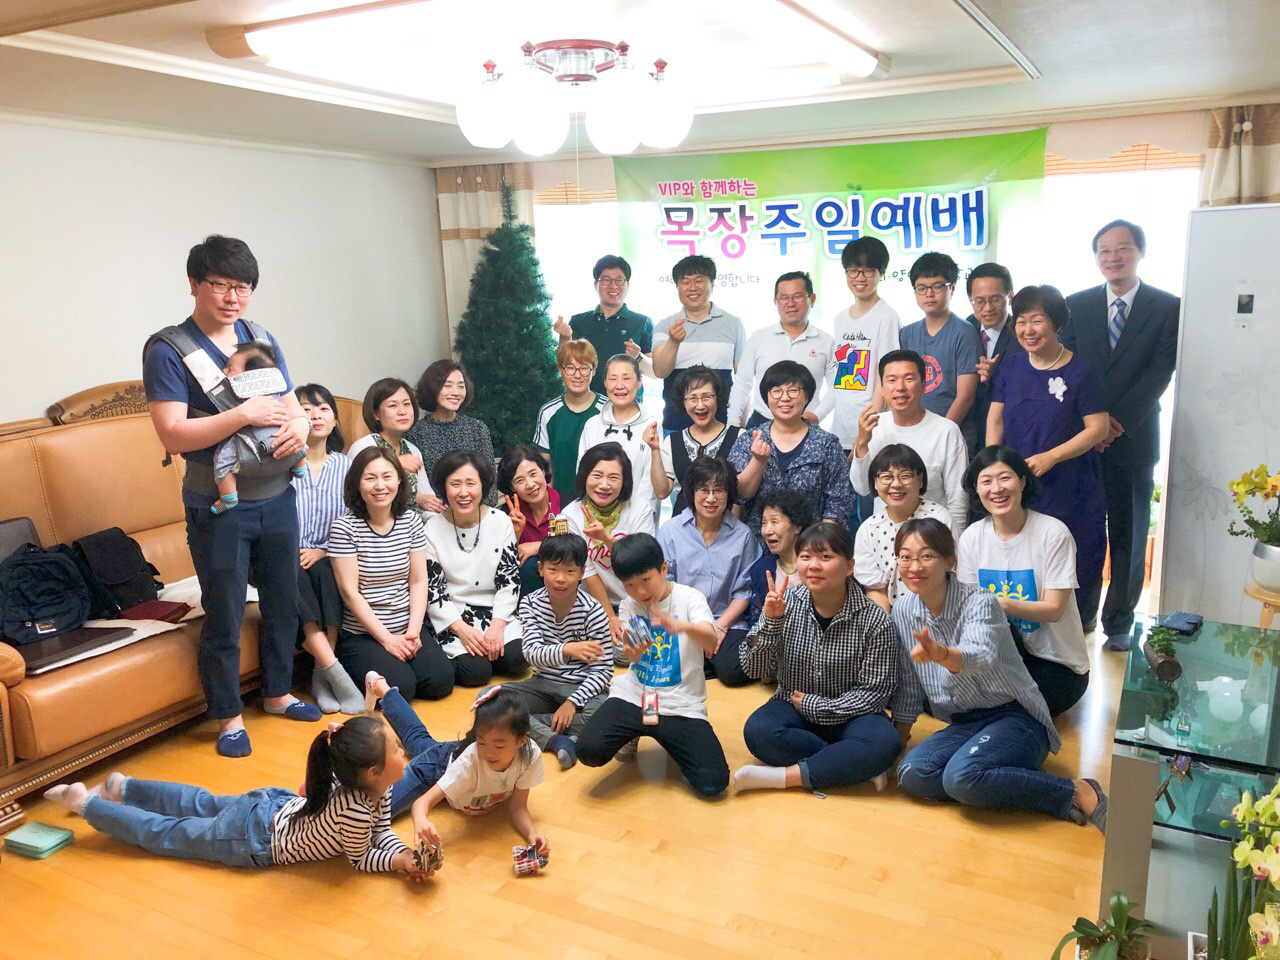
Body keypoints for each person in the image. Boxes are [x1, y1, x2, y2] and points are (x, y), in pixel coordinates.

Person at [143, 234, 319, 758]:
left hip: (278, 495)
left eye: (242, 287)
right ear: (194, 284)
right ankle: (228, 717)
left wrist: (300, 425)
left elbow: (289, 403)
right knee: (224, 610)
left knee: (284, 599)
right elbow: (173, 435)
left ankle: (278, 693)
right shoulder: (169, 349)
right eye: (219, 284)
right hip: (219, 504)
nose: (231, 297)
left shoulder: (259, 336)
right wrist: (242, 414)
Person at [890, 518, 1107, 832]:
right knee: (912, 773)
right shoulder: (903, 610)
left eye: (926, 556)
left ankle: (1074, 791)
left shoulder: (980, 601)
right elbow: (910, 686)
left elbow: (981, 655)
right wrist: (898, 742)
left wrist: (942, 654)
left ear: (949, 561)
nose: (914, 566)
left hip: (1016, 716)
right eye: (905, 557)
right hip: (965, 722)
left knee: (960, 777)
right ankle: (997, 780)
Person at [43, 716, 429, 879]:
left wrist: (406, 853)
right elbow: (361, 857)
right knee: (167, 833)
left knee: (199, 802)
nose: (402, 752)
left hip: (272, 805)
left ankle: (124, 788)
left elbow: (381, 830)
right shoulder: (356, 809)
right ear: (372, 772)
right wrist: (398, 862)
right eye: (397, 749)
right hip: (254, 839)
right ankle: (88, 804)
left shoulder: (368, 783)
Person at [1062, 219, 1181, 650]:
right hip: (1081, 437)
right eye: (1105, 251)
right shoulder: (1076, 305)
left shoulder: (1167, 306)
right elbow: (1068, 364)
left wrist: (1115, 423)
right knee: (1082, 530)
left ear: (1140, 252)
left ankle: (1119, 623)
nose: (1113, 257)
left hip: (1133, 438)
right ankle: (1081, 614)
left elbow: (1160, 371)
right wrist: (1091, 422)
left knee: (1129, 533)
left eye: (1123, 248)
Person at [734, 522, 901, 794]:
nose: (813, 566)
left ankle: (784, 777)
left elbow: (874, 694)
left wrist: (818, 706)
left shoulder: (874, 620)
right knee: (758, 731)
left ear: (849, 566)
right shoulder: (784, 602)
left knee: (885, 742)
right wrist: (772, 623)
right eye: (805, 557)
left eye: (825, 557)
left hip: (851, 715)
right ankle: (851, 764)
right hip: (793, 708)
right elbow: (752, 668)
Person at [576, 534, 730, 796]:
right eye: (629, 585)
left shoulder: (689, 598)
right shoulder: (629, 606)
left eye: (646, 580)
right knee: (588, 751)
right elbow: (633, 655)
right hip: (635, 695)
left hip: (680, 703)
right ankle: (634, 733)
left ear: (663, 569)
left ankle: (669, 740)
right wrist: (633, 651)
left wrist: (684, 627)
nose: (640, 592)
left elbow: (710, 639)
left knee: (713, 783)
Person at [986, 285, 1108, 617]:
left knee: (1071, 558)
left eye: (1037, 321)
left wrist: (1051, 457)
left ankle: (1077, 628)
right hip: (1019, 485)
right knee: (1022, 558)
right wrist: (993, 468)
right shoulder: (1011, 367)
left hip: (1070, 486)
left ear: (1057, 323)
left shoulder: (1082, 372)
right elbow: (995, 419)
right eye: (1021, 321)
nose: (1028, 330)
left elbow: (1098, 428)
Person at [958, 447, 1091, 716]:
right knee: (945, 695)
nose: (996, 489)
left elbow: (1054, 609)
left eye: (1005, 478)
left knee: (1008, 709)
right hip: (999, 656)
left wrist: (999, 604)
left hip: (1055, 664)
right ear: (976, 489)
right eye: (986, 481)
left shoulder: (1053, 533)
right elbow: (968, 610)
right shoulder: (972, 537)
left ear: (1022, 481)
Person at [364, 680, 548, 860]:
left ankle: (383, 689)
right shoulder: (470, 761)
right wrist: (421, 821)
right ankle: (382, 690)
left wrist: (532, 835)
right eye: (481, 742)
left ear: (522, 741)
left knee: (419, 740)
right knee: (370, 818)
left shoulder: (529, 756)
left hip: (454, 765)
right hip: (435, 769)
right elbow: (421, 804)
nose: (489, 752)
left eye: (499, 746)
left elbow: (518, 808)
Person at [330, 447, 454, 702]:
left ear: (399, 480)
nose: (380, 486)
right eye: (370, 478)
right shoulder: (344, 527)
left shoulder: (410, 521)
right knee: (401, 689)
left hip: (406, 625)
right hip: (364, 634)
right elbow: (349, 593)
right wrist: (386, 640)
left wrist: (413, 631)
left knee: (439, 681)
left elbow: (418, 580)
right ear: (357, 483)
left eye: (387, 477)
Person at [505, 535, 614, 769]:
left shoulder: (593, 611)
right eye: (553, 569)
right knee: (490, 700)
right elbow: (531, 653)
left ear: (582, 572)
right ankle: (558, 740)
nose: (561, 579)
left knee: (603, 717)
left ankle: (528, 726)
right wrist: (568, 649)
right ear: (540, 569)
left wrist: (572, 702)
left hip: (582, 689)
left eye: (570, 571)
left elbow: (603, 670)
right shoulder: (530, 604)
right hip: (543, 684)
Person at [423, 450, 526, 688]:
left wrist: (498, 625)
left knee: (517, 659)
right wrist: (460, 628)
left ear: (483, 486)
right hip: (454, 616)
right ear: (444, 487)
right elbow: (433, 590)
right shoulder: (432, 529)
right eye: (455, 484)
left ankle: (491, 651)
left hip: (495, 611)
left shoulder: (500, 521)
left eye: (471, 483)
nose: (463, 492)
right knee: (475, 673)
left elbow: (509, 579)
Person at [293, 382, 364, 715]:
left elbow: (354, 521)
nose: (315, 415)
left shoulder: (347, 468)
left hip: (329, 554)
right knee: (292, 573)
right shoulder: (280, 466)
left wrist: (323, 550)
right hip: (282, 556)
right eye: (305, 409)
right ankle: (336, 674)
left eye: (323, 409)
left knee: (325, 572)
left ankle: (322, 672)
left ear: (335, 420)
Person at [657, 457, 760, 686]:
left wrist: (719, 627)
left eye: (719, 490)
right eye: (704, 490)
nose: (711, 498)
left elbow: (744, 592)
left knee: (733, 670)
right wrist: (695, 630)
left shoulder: (743, 535)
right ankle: (702, 660)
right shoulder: (671, 531)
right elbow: (666, 587)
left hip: (726, 620)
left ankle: (706, 661)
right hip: (683, 620)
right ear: (692, 492)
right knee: (664, 663)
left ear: (729, 494)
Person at [728, 360, 855, 542]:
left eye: (793, 391)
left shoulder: (827, 444)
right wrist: (758, 461)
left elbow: (839, 502)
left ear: (807, 397)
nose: (785, 398)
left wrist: (820, 546)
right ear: (766, 397)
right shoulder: (749, 439)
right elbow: (739, 495)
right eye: (776, 391)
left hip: (810, 547)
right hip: (757, 545)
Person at [850, 349, 969, 532]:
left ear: (924, 384)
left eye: (909, 378)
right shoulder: (874, 427)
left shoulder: (946, 431)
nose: (900, 387)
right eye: (891, 380)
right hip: (884, 536)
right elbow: (862, 488)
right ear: (882, 387)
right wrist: (862, 443)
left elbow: (958, 500)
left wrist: (953, 543)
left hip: (932, 538)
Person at [561, 442, 655, 646]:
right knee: (598, 651)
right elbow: (587, 572)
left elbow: (641, 563)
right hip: (592, 603)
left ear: (624, 481)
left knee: (636, 649)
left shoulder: (640, 509)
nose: (604, 485)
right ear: (584, 476)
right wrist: (610, 616)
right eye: (597, 476)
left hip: (637, 599)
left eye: (613, 478)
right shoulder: (570, 516)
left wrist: (606, 539)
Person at [727, 271, 835, 429]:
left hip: (806, 425)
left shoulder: (827, 342)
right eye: (784, 298)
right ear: (775, 302)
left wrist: (817, 415)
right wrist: (732, 425)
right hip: (761, 423)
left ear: (812, 299)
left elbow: (837, 387)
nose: (790, 303)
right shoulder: (759, 338)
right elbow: (742, 383)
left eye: (797, 296)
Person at [651, 255, 747, 432]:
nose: (692, 287)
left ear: (712, 284)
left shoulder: (734, 324)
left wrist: (740, 422)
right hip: (676, 426)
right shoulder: (665, 325)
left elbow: (743, 379)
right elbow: (660, 371)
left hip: (723, 425)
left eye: (699, 280)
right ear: (677, 287)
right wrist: (673, 341)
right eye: (685, 282)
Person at [898, 252, 982, 453]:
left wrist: (938, 436)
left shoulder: (965, 332)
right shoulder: (907, 333)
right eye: (921, 288)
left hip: (953, 438)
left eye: (937, 286)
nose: (929, 294)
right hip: (914, 435)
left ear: (952, 287)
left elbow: (965, 397)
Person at [854, 443, 953, 612]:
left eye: (905, 476)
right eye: (886, 477)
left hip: (940, 612)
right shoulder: (869, 528)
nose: (896, 484)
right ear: (875, 483)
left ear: (920, 480)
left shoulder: (939, 518)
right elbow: (876, 590)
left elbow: (951, 576)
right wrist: (887, 624)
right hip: (892, 615)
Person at [210, 342, 306, 515]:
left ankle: (228, 497)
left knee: (222, 461)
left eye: (230, 368)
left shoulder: (235, 394)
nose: (225, 371)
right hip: (282, 434)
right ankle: (299, 467)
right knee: (299, 445)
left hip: (250, 442)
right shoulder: (275, 387)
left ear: (249, 376)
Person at [828, 237, 900, 455]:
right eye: (853, 271)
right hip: (840, 428)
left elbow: (886, 376)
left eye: (868, 270)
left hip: (871, 430)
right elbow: (839, 376)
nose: (860, 278)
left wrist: (865, 434)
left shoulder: (887, 316)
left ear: (882, 272)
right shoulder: (840, 319)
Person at [553, 254, 654, 397]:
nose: (613, 285)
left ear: (628, 285)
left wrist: (638, 357)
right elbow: (564, 363)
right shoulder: (579, 321)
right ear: (596, 284)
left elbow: (655, 372)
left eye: (619, 280)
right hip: (585, 402)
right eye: (606, 280)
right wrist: (565, 337)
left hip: (626, 403)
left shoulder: (642, 322)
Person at [576, 354, 660, 522]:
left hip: (637, 520)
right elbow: (584, 472)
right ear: (605, 383)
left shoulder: (651, 424)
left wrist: (637, 518)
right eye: (613, 379)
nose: (619, 386)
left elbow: (650, 483)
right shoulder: (592, 424)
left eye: (626, 378)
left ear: (639, 382)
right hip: (596, 516)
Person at [650, 366, 741, 516]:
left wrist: (732, 528)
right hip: (682, 525)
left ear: (718, 398)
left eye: (706, 397)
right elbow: (662, 492)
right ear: (683, 401)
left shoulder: (738, 437)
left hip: (725, 524)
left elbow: (741, 495)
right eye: (692, 398)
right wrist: (654, 450)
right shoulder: (672, 441)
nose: (700, 405)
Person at [406, 359, 497, 508]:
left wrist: (481, 512)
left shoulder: (478, 428)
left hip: (476, 512)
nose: (455, 392)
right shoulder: (416, 432)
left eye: (461, 386)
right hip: (436, 514)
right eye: (447, 385)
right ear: (432, 388)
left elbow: (490, 479)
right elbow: (412, 482)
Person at [347, 378, 437, 519]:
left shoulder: (412, 449)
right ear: (376, 414)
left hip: (414, 524)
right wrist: (395, 463)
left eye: (406, 404)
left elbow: (428, 499)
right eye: (393, 405)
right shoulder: (364, 447)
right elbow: (354, 495)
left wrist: (434, 520)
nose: (402, 411)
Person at [532, 339, 606, 502]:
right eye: (570, 368)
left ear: (593, 370)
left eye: (584, 368)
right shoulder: (548, 412)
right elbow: (545, 467)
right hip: (561, 502)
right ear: (561, 370)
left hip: (601, 501)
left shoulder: (607, 410)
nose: (577, 375)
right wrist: (549, 506)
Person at [964, 262, 1022, 459]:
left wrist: (994, 376)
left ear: (1010, 297)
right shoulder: (964, 327)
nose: (987, 308)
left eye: (995, 299)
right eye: (979, 301)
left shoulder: (1023, 336)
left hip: (1007, 437)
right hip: (968, 433)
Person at [497, 444, 562, 593]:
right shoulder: (509, 513)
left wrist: (540, 546)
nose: (530, 485)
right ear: (511, 487)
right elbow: (501, 564)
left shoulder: (566, 505)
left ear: (544, 471)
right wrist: (515, 535)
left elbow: (577, 549)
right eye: (519, 481)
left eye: (533, 474)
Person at [746, 490, 816, 626]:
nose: (767, 531)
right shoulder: (761, 569)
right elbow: (756, 624)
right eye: (764, 523)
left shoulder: (816, 566)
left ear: (797, 526)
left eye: (774, 522)